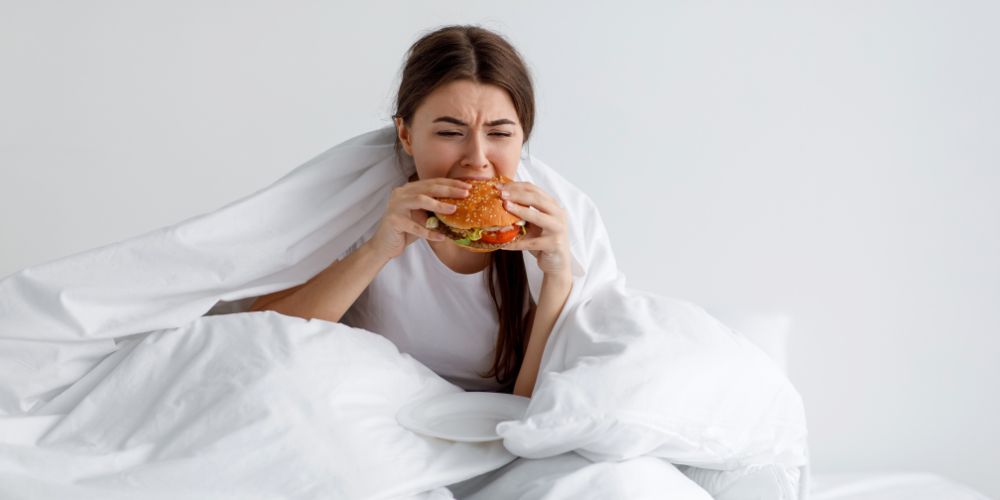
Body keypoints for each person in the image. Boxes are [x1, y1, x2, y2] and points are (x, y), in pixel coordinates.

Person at [249, 25, 573, 398]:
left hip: (489, 418)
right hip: (367, 408)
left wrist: (558, 278)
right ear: (405, 135)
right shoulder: (363, 210)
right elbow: (258, 338)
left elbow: (532, 403)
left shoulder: (546, 228)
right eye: (450, 133)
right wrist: (376, 251)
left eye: (499, 134)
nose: (477, 159)